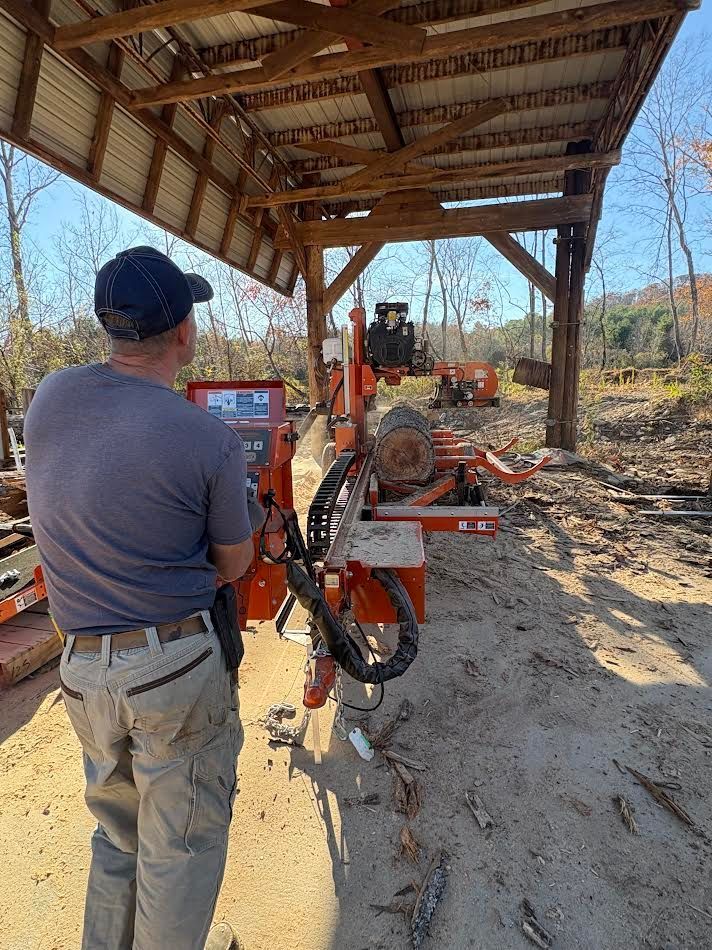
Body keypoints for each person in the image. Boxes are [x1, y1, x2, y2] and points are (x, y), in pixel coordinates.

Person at [24, 246, 256, 950]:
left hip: (82, 673)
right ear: (183, 333)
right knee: (179, 848)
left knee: (117, 835)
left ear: (110, 328)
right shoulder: (208, 438)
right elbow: (235, 562)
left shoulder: (50, 397)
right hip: (173, 675)